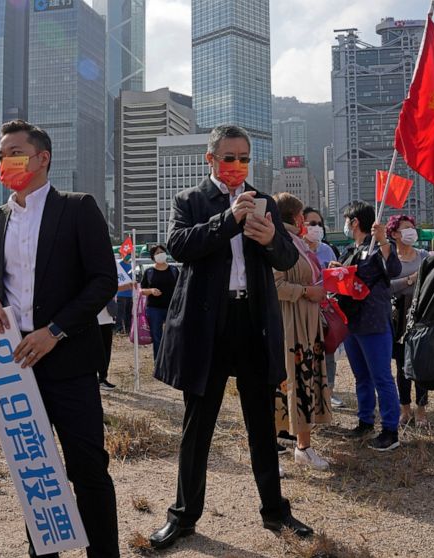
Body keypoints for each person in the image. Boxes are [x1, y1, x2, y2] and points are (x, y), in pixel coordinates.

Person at [148, 125, 312, 550]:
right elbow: (179, 245)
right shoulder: (190, 200)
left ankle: (275, 510)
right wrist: (229, 219)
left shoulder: (266, 202)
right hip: (208, 325)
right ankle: (183, 516)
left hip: (252, 320)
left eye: (244, 157)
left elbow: (289, 258)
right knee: (197, 425)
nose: (237, 165)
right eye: (229, 157)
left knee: (262, 423)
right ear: (210, 159)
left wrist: (273, 238)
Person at [0, 120, 120, 558]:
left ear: (43, 158)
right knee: (33, 469)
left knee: (87, 467)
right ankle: (44, 551)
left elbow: (102, 280)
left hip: (69, 356)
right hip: (14, 362)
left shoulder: (77, 207)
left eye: (16, 152)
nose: (7, 161)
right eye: (3, 154)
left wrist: (56, 330)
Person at [272, 193, 332, 470]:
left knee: (303, 382)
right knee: (288, 383)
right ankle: (278, 450)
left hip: (306, 323)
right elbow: (275, 286)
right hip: (289, 324)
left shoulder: (297, 242)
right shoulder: (278, 242)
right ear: (296, 217)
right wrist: (308, 291)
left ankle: (303, 447)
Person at [335, 201, 402, 451]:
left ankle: (390, 430)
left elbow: (393, 269)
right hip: (352, 322)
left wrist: (383, 240)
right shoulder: (351, 249)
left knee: (382, 377)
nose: (345, 224)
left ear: (354, 222)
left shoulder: (378, 247)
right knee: (361, 376)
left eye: (346, 219)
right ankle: (365, 421)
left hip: (373, 322)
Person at [386, 214, 429, 426]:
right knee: (402, 365)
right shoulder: (390, 259)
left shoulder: (424, 255)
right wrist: (411, 280)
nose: (411, 231)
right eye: (405, 228)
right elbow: (387, 286)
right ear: (394, 234)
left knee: (421, 363)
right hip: (399, 316)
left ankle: (422, 409)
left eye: (412, 227)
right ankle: (405, 408)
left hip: (421, 314)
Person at [301, 207, 344, 408]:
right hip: (301, 309)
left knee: (327, 349)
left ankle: (329, 391)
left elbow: (336, 281)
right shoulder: (296, 248)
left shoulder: (327, 249)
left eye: (319, 224)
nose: (316, 228)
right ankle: (307, 392)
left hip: (323, 308)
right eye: (312, 223)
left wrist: (335, 271)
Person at [139, 244, 178, 358]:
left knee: (173, 335)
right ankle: (158, 362)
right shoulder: (149, 272)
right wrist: (151, 291)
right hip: (154, 309)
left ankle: (172, 361)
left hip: (172, 308)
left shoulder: (174, 270)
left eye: (162, 252)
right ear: (153, 257)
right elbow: (141, 290)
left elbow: (181, 288)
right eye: (157, 253)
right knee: (157, 337)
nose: (160, 254)